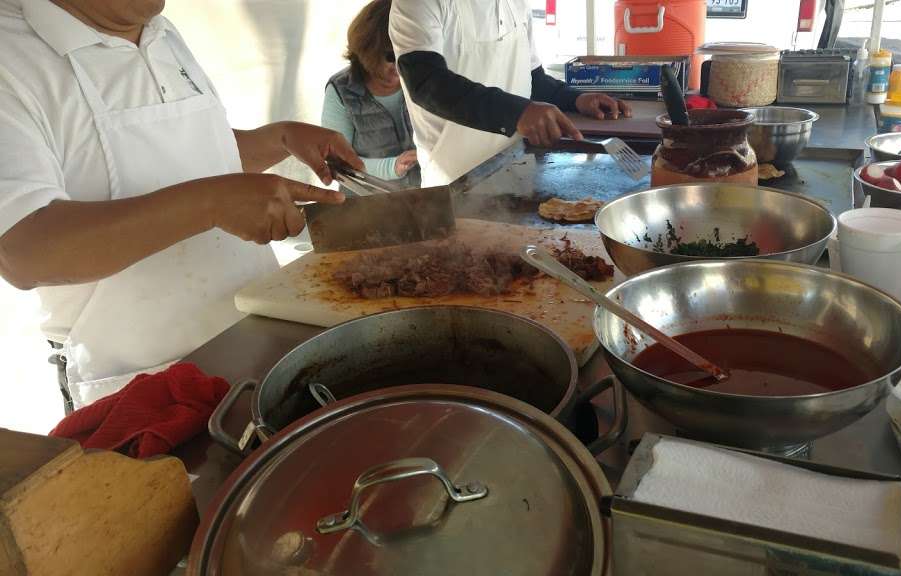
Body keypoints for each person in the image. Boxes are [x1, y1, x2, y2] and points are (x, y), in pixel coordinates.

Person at [0, 0, 362, 407]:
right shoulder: (10, 56)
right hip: (146, 387)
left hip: (257, 342)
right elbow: (24, 250)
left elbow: (192, 150)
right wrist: (210, 204)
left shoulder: (157, 27)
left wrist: (279, 138)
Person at [389, 0, 633, 187]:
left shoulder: (515, 3)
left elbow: (532, 78)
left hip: (517, 168)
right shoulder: (417, 3)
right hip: (455, 183)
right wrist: (518, 112)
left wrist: (577, 99)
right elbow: (426, 82)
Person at [322, 0, 418, 186]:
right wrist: (392, 167)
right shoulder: (341, 91)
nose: (400, 64)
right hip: (367, 203)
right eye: (391, 56)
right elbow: (337, 164)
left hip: (425, 199)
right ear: (368, 49)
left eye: (408, 53)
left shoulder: (422, 78)